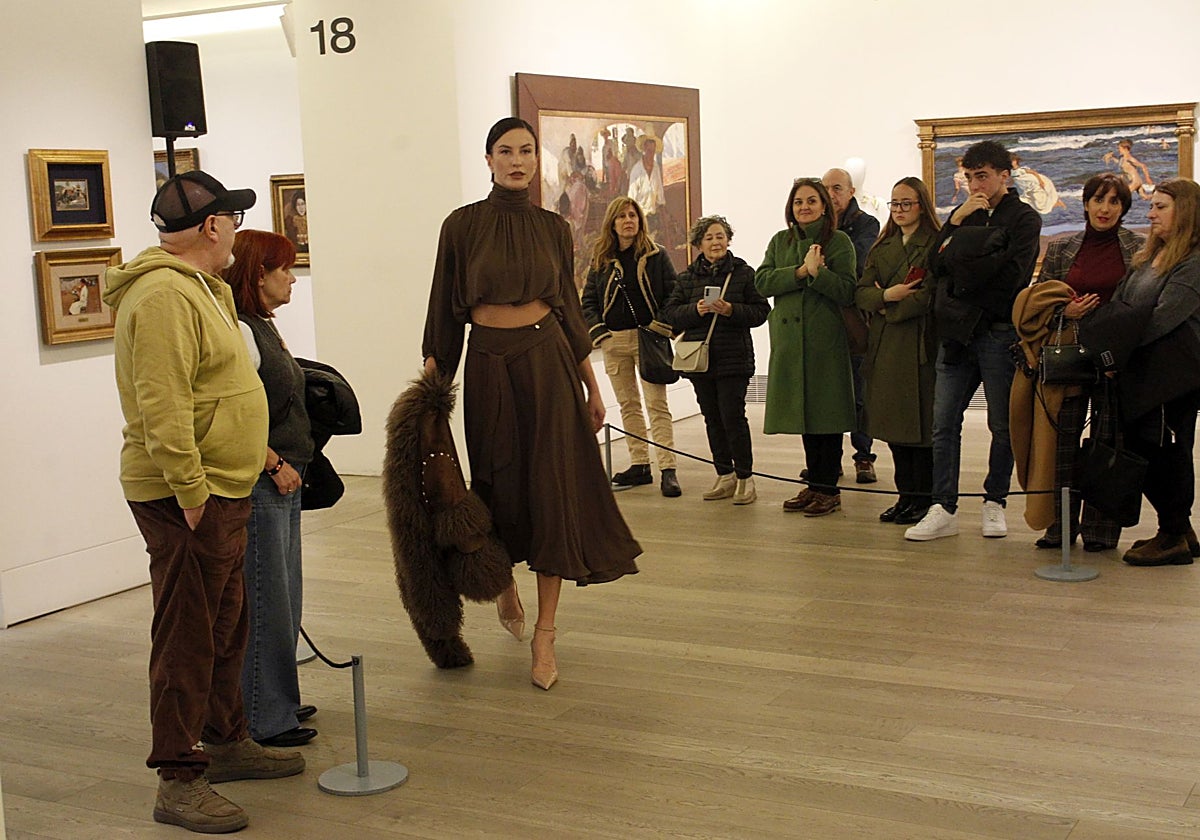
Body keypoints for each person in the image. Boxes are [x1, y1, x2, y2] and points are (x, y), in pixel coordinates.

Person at [102, 171, 304, 834]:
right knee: (187, 636)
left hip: (222, 485)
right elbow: (162, 403)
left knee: (224, 626)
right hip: (187, 494)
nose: (236, 231)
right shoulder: (162, 294)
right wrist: (190, 489)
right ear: (214, 225)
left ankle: (224, 742)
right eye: (233, 219)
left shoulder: (206, 288)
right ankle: (177, 778)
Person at [423, 117, 641, 691]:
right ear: (488, 159)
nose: (517, 160)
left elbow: (567, 306)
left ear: (536, 160)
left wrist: (591, 387)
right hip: (488, 360)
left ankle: (546, 632)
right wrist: (431, 388)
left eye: (526, 151)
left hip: (547, 360)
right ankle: (501, 583)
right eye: (505, 151)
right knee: (495, 483)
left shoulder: (552, 227)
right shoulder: (462, 225)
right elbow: (444, 309)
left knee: (553, 491)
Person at [904, 140, 1041, 541]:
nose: (975, 183)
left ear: (1004, 175)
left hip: (997, 332)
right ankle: (942, 506)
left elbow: (1011, 277)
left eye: (982, 175)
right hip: (955, 334)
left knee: (1002, 424)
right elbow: (933, 263)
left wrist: (959, 269)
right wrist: (956, 225)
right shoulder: (963, 215)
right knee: (943, 423)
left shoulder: (1024, 218)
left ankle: (994, 501)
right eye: (969, 176)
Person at [222, 229, 319, 749]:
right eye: (284, 269)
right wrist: (273, 461)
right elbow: (233, 410)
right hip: (263, 481)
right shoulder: (241, 330)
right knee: (266, 602)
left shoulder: (260, 326)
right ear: (259, 274)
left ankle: (275, 697)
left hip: (282, 481)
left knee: (285, 596)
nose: (292, 279)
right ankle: (265, 715)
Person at [1031, 173, 1144, 551]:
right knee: (1062, 440)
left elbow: (1143, 307)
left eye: (1114, 202)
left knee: (1108, 444)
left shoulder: (1140, 249)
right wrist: (1067, 308)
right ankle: (1060, 527)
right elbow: (1039, 299)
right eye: (1099, 200)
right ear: (1085, 204)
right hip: (1070, 355)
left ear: (1124, 209)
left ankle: (1100, 530)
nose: (1105, 208)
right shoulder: (1064, 247)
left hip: (1115, 360)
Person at [1109, 179, 1200, 566]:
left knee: (1167, 451)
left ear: (1185, 211)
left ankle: (1172, 534)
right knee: (1146, 447)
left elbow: (1161, 319)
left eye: (1160, 207)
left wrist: (1116, 342)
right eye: (1152, 207)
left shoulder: (1193, 262)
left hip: (1173, 376)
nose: (1150, 214)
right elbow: (1121, 302)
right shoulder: (1150, 257)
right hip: (1142, 370)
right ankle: (1179, 528)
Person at [755, 177, 858, 517]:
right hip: (789, 342)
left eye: (812, 201)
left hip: (823, 341)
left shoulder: (839, 241)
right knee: (803, 415)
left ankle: (828, 488)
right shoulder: (780, 241)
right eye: (799, 202)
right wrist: (801, 271)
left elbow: (847, 290)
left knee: (826, 415)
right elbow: (762, 281)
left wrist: (819, 274)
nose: (805, 207)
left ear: (824, 206)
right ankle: (815, 484)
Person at [661, 215, 770, 504]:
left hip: (734, 358)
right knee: (712, 418)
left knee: (733, 417)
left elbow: (761, 311)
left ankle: (746, 478)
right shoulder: (687, 278)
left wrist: (731, 310)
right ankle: (724, 474)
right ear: (699, 244)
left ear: (728, 239)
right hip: (699, 359)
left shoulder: (743, 273)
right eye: (709, 237)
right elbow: (670, 314)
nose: (715, 242)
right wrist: (696, 310)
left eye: (720, 236)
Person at [581, 196, 681, 496]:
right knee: (628, 405)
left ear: (640, 221)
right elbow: (588, 302)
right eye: (622, 216)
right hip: (614, 341)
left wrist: (660, 327)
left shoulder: (656, 255)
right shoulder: (600, 260)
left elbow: (674, 294)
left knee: (657, 404)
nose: (628, 221)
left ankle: (668, 468)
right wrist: (602, 333)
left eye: (633, 216)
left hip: (648, 339)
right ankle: (640, 464)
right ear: (612, 223)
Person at [855, 177, 940, 525]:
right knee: (893, 428)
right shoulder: (881, 246)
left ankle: (926, 500)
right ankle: (906, 497)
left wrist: (889, 307)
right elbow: (862, 292)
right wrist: (888, 297)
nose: (900, 210)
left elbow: (929, 293)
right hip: (885, 347)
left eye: (907, 203)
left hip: (920, 346)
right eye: (895, 203)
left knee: (921, 430)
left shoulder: (935, 245)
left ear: (922, 205)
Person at [823, 167, 881, 484]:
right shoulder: (815, 225)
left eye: (837, 188)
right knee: (827, 393)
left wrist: (820, 265)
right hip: (823, 320)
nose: (830, 195)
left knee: (859, 394)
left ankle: (863, 457)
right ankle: (829, 461)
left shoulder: (866, 224)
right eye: (825, 188)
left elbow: (855, 263)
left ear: (850, 192)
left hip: (854, 318)